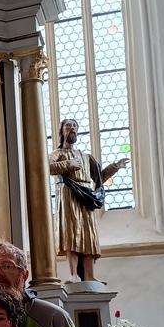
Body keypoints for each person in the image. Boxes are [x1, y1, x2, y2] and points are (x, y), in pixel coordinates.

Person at [48, 119, 129, 284]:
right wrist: (68, 164)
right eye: (68, 126)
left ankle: (89, 275)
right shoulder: (58, 153)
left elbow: (100, 178)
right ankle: (73, 275)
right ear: (62, 131)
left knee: (88, 235)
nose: (72, 129)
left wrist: (115, 166)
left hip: (87, 194)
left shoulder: (86, 157)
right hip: (68, 193)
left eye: (74, 127)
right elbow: (46, 166)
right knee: (71, 233)